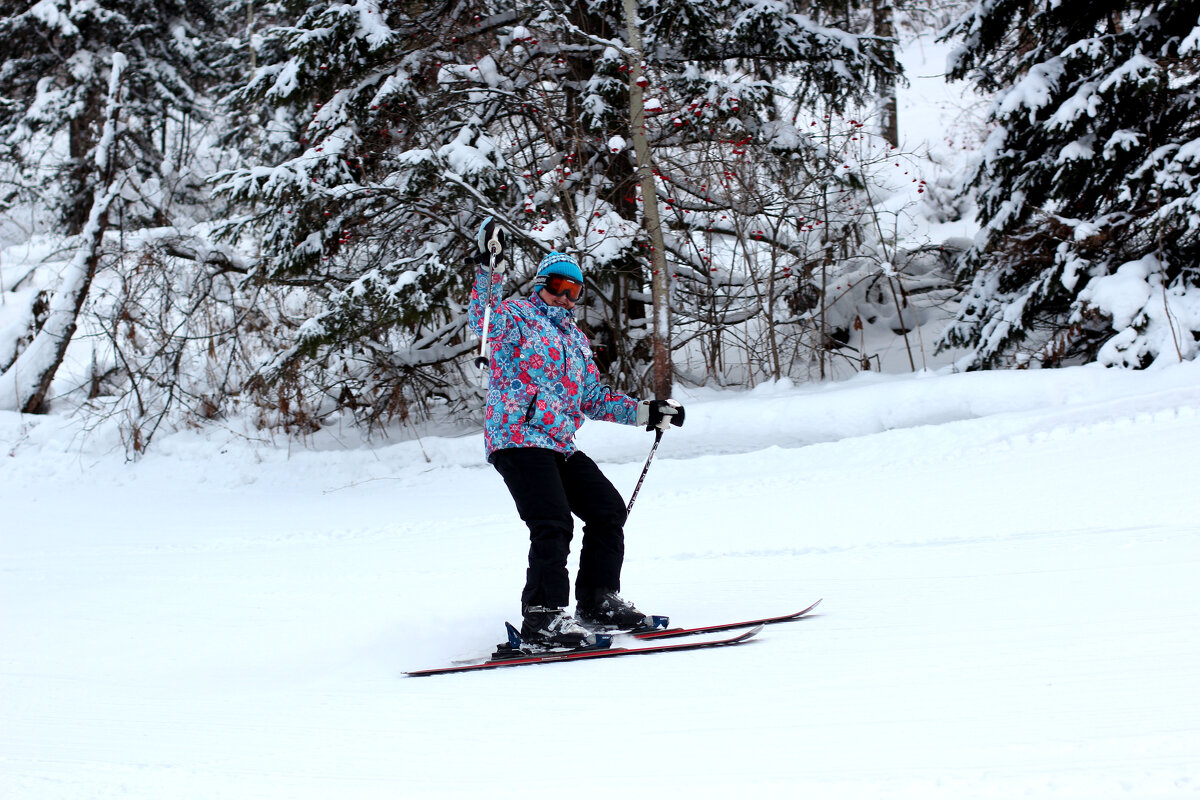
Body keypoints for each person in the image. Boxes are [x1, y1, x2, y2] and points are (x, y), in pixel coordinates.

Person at [467, 217, 684, 649]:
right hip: (518, 438)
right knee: (552, 522)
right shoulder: (514, 318)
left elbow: (593, 398)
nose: (565, 297)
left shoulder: (576, 340)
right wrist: (489, 264)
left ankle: (597, 600)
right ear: (541, 284)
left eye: (575, 290)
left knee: (607, 511)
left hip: (559, 444)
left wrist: (646, 412)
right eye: (558, 287)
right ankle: (543, 619)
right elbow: (482, 317)